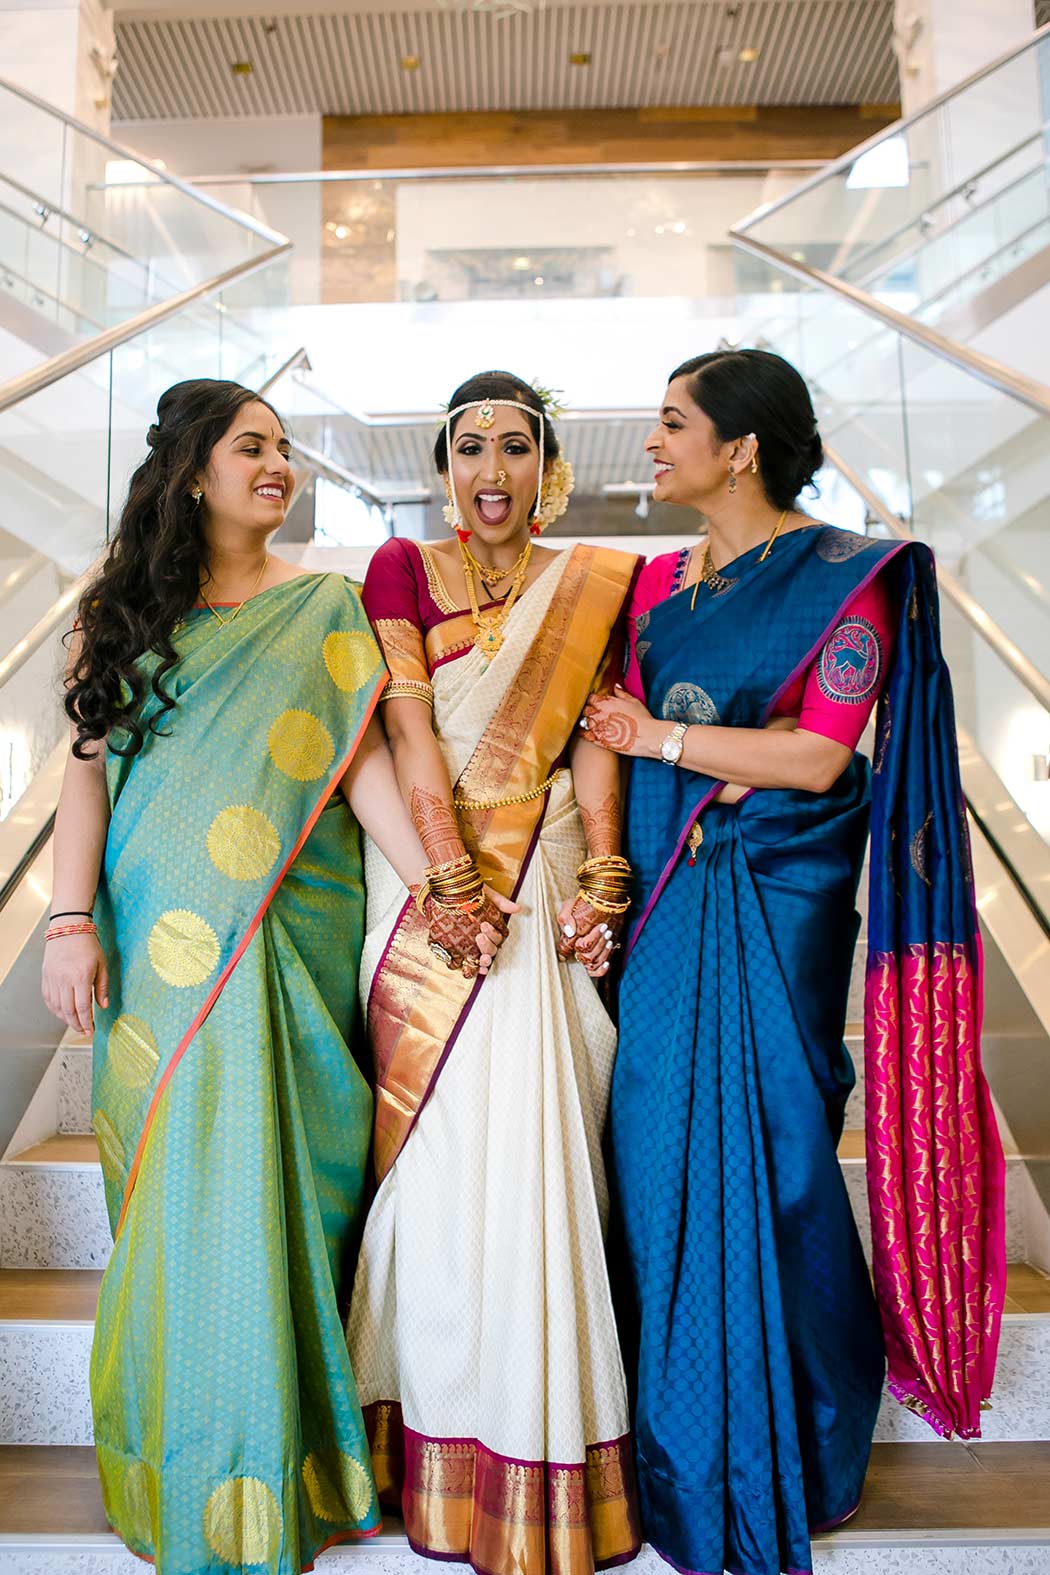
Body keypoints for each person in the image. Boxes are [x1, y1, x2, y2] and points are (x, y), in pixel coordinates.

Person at [41, 378, 502, 1575]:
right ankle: (183, 1461)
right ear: (192, 471)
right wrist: (66, 922)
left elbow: (354, 776)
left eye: (287, 450)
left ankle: (284, 1456)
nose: (280, 466)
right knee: (180, 1202)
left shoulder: (325, 613)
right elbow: (86, 778)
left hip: (289, 938)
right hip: (157, 952)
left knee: (285, 1186)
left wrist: (442, 893)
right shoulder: (121, 612)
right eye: (254, 448)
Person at [583, 349, 1006, 1575]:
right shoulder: (651, 585)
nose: (652, 446)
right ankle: (677, 1451)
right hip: (665, 911)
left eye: (670, 425)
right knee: (657, 1169)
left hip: (775, 907)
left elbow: (820, 760)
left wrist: (660, 733)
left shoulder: (844, 580)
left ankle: (808, 1446)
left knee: (775, 1167)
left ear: (741, 447)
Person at [346, 371, 643, 1574]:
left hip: (549, 875)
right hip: (433, 878)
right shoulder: (400, 571)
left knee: (547, 1152)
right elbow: (407, 725)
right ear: (443, 462)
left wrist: (608, 879)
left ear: (546, 464)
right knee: (451, 1152)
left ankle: (548, 1440)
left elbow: (595, 737)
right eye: (469, 447)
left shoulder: (590, 586)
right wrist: (449, 879)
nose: (491, 470)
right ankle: (437, 1435)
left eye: (514, 448)